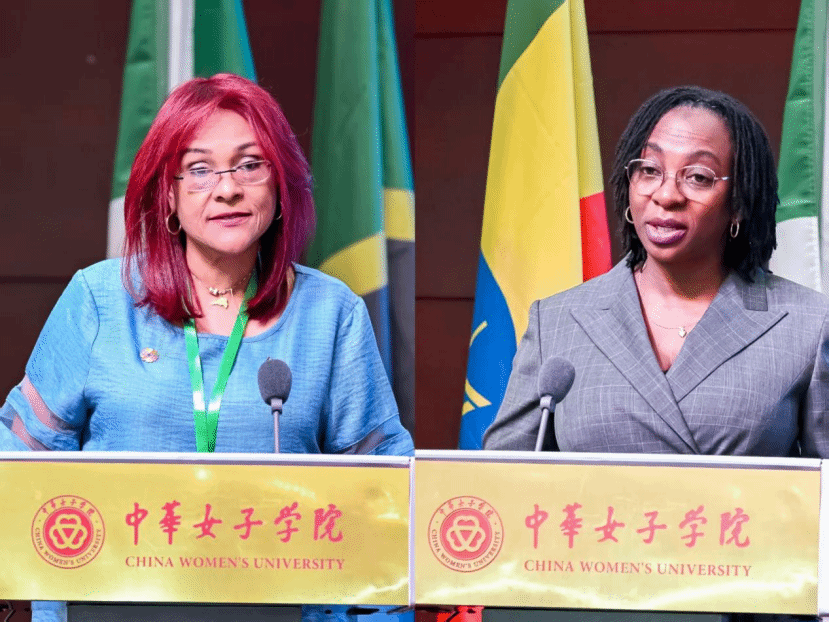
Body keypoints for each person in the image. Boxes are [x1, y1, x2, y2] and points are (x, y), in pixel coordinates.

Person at [0, 74, 413, 621]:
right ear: (168, 195)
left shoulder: (330, 313)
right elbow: (19, 461)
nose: (227, 189)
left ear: (280, 185)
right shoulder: (101, 299)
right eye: (198, 169)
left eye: (250, 164)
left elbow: (383, 493)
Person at [483, 86, 827, 621]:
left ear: (739, 203)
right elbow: (498, 483)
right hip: (584, 607)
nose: (666, 195)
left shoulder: (806, 323)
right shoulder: (561, 319)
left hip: (743, 606)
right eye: (649, 170)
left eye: (698, 177)